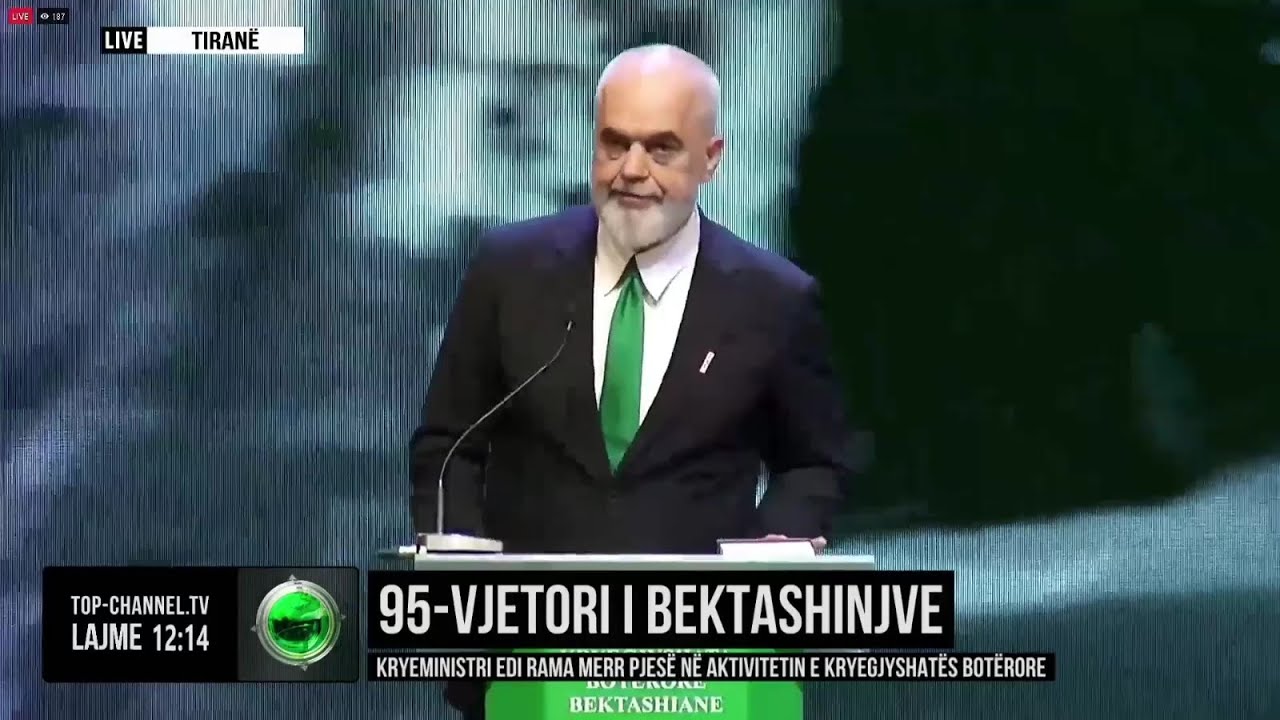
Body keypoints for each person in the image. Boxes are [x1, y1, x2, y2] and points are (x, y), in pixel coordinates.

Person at [408, 44, 852, 719]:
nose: (632, 171)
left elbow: (815, 461)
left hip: (700, 668)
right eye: (615, 144)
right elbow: (448, 445)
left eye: (661, 148)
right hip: (527, 662)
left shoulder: (773, 299)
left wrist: (777, 543)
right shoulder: (509, 269)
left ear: (712, 158)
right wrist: (460, 576)